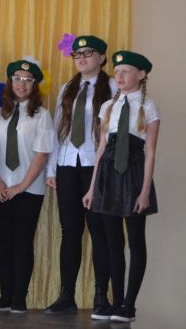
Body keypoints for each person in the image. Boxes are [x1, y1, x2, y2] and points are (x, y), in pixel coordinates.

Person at [83, 51, 160, 323]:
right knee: (113, 242)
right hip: (107, 175)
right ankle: (115, 302)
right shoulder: (108, 106)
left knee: (136, 241)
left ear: (141, 74)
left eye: (126, 71)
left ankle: (129, 304)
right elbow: (101, 149)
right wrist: (92, 188)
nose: (120, 76)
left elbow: (150, 152)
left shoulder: (148, 107)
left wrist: (144, 190)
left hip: (134, 176)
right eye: (117, 72)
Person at [45, 35, 116, 318]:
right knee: (70, 231)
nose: (82, 58)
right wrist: (52, 168)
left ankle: (101, 295)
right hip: (67, 165)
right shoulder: (68, 87)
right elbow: (57, 129)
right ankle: (67, 295)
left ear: (102, 57)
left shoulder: (112, 86)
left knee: (99, 231)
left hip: (95, 165)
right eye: (78, 54)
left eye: (88, 53)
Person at [0, 59, 54, 314]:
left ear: (35, 85)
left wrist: (21, 186)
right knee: (2, 242)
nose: (21, 84)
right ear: (10, 81)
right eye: (17, 78)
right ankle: (5, 295)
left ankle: (19, 297)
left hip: (29, 190)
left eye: (27, 80)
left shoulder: (41, 115)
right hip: (1, 188)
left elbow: (41, 154)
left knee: (22, 242)